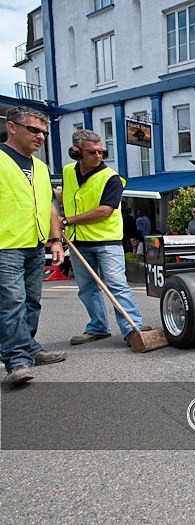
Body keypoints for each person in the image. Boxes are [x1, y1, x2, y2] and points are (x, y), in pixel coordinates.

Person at [60, 129, 151, 347]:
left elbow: (105, 211)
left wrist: (68, 220)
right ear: (76, 153)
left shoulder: (111, 178)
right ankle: (98, 327)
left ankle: (132, 327)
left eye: (102, 151)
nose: (99, 156)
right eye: (92, 152)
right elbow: (69, 194)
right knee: (87, 288)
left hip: (106, 242)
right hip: (78, 242)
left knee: (117, 285)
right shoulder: (67, 172)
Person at [1, 107, 67, 383]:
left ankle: (28, 347)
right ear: (12, 127)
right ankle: (16, 360)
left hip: (35, 244)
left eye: (44, 132)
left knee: (31, 300)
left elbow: (50, 207)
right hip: (5, 245)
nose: (40, 136)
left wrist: (56, 240)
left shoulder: (40, 168)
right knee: (12, 302)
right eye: (34, 130)